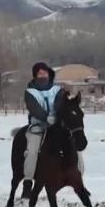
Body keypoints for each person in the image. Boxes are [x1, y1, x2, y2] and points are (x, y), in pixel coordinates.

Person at [21, 62, 65, 193]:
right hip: (38, 125)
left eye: (45, 73)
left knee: (73, 145)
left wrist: (56, 117)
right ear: (35, 76)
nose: (43, 75)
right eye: (40, 73)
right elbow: (34, 108)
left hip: (57, 124)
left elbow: (60, 103)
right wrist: (46, 118)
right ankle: (28, 182)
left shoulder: (58, 89)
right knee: (32, 150)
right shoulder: (30, 92)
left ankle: (79, 178)